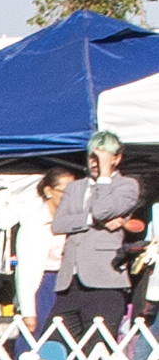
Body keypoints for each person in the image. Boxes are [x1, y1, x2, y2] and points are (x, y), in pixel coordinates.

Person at [50, 134, 140, 335]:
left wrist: (105, 177)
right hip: (69, 282)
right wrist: (91, 220)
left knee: (97, 351)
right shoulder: (74, 187)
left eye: (102, 158)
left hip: (105, 281)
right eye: (92, 157)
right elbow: (59, 224)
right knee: (53, 343)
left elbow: (103, 210)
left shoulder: (127, 186)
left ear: (116, 159)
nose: (95, 163)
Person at [18, 168, 70, 333]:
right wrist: (28, 312)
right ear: (48, 191)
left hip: (68, 285)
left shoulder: (75, 221)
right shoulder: (33, 224)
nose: (69, 196)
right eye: (65, 191)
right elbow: (24, 269)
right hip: (43, 286)